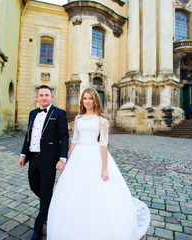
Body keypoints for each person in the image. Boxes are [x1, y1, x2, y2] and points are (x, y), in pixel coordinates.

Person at [47, 88, 150, 240]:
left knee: (97, 192)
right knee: (74, 191)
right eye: (85, 98)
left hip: (94, 154)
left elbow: (103, 145)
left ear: (96, 100)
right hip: (78, 157)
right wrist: (65, 160)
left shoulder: (101, 120)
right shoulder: (78, 118)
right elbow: (74, 140)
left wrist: (105, 169)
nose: (87, 101)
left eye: (90, 98)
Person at [18, 85, 69, 240]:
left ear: (51, 97)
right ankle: (52, 206)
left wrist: (62, 158)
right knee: (34, 185)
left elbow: (64, 136)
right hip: (33, 158)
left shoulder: (59, 113)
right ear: (37, 97)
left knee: (46, 194)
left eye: (47, 95)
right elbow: (29, 135)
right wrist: (23, 154)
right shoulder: (33, 113)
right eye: (41, 95)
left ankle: (38, 228)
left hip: (49, 160)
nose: (44, 97)